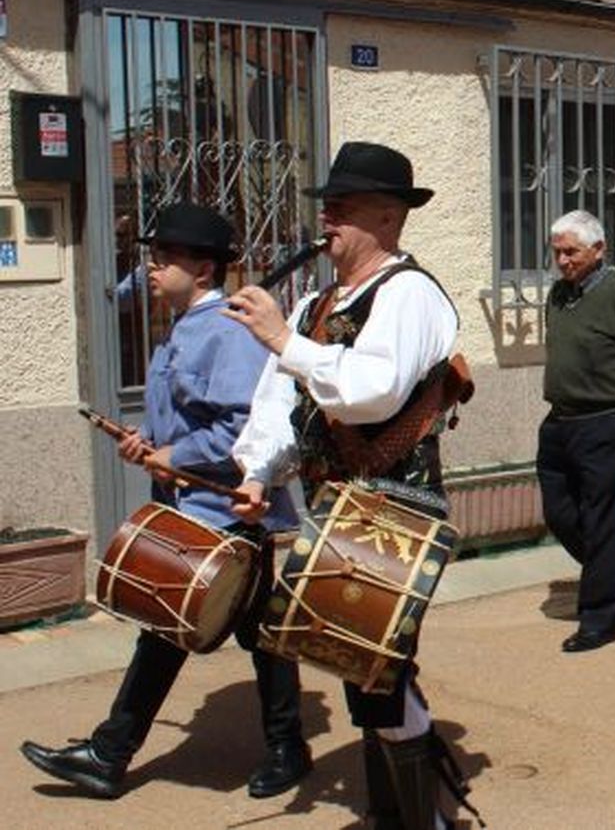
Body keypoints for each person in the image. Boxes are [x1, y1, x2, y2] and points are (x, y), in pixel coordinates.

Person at [225, 142, 478, 829]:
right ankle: (411, 811)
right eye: (328, 206)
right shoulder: (314, 302)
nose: (327, 217)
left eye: (344, 207)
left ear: (389, 219)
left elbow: (374, 388)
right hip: (334, 507)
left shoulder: (411, 293)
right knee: (362, 667)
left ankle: (423, 816)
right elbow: (279, 403)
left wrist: (285, 339)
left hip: (397, 505)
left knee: (377, 671)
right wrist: (256, 472)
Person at [21, 203, 308, 802]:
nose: (152, 269)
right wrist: (147, 445)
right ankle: (284, 746)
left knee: (204, 631)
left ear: (202, 270)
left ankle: (111, 753)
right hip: (197, 511)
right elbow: (189, 419)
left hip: (227, 513)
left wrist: (174, 458)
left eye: (165, 259)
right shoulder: (188, 324)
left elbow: (240, 429)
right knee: (252, 632)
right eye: (153, 259)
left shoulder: (227, 331)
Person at [537, 210, 615, 652]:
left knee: (601, 517)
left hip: (608, 419)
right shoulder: (558, 295)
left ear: (598, 250)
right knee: (559, 514)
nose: (563, 260)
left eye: (571, 251)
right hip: (560, 419)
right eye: (557, 252)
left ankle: (599, 617)